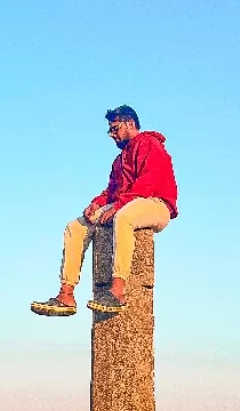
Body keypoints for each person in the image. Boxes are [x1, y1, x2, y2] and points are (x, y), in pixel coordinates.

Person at [31, 106, 178, 316]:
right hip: (130, 202)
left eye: (115, 128)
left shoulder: (149, 144)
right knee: (77, 226)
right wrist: (97, 204)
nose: (112, 134)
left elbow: (148, 183)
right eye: (109, 130)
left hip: (156, 204)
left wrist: (117, 206)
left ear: (130, 124)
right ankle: (66, 295)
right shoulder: (119, 161)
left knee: (124, 216)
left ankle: (117, 292)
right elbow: (111, 192)